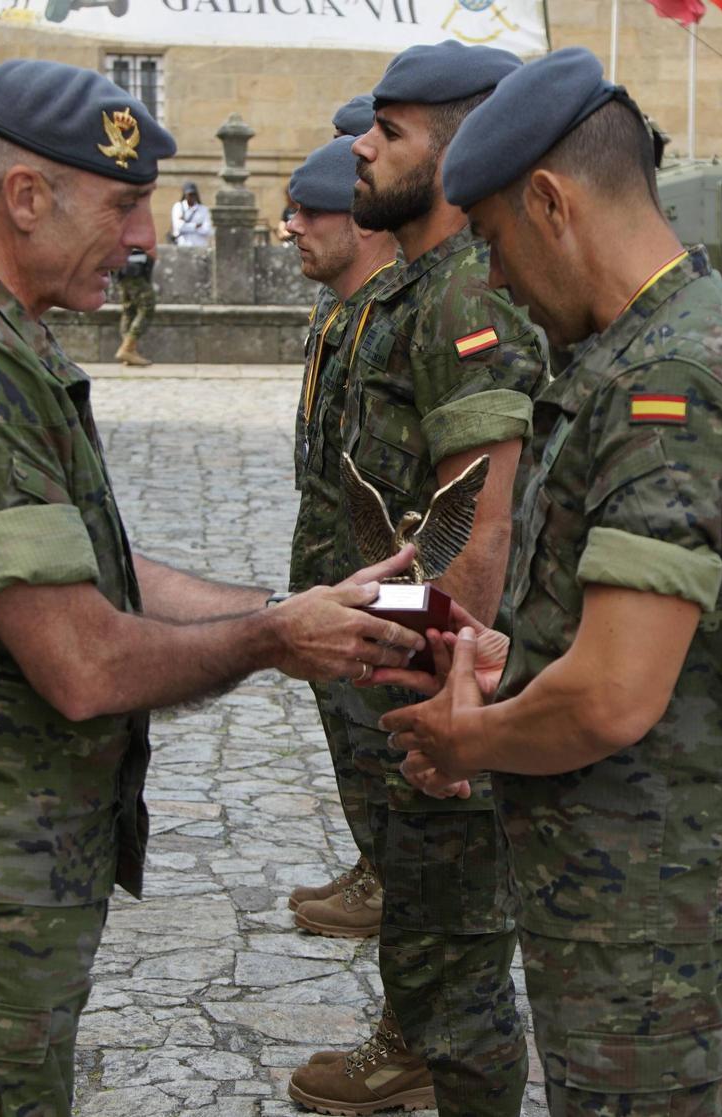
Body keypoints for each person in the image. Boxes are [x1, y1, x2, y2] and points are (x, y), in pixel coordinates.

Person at [0, 60, 425, 1117]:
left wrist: (317, 612)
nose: (141, 237)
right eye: (124, 205)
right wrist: (274, 637)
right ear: (27, 198)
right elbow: (82, 661)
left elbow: (106, 574)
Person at [379, 47, 722, 1116]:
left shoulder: (672, 382)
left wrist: (467, 738)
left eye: (490, 242)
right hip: (641, 890)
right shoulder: (662, 346)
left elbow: (617, 691)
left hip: (650, 908)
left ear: (549, 201)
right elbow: (628, 632)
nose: (491, 280)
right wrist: (507, 658)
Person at [287, 40, 548, 1117]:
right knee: (423, 906)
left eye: (388, 131)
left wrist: (455, 702)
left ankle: (456, 1079)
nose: (360, 143)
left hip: (431, 663)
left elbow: (479, 526)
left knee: (456, 937)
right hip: (390, 646)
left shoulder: (462, 300)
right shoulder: (412, 288)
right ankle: (415, 1047)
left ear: (454, 151)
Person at [285, 135, 398, 950]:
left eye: (309, 211)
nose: (290, 225)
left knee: (381, 723)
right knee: (346, 720)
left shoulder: (402, 312)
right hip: (330, 545)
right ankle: (375, 858)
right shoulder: (341, 307)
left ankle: (393, 870)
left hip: (381, 566)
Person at [114, 242, 155, 366]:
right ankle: (127, 348)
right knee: (147, 307)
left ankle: (129, 351)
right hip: (135, 266)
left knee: (129, 310)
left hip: (121, 265)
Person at [170, 179, 212, 246]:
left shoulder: (204, 209)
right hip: (182, 245)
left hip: (200, 246)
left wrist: (187, 226)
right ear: (185, 194)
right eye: (190, 194)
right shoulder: (178, 207)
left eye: (194, 194)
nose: (192, 197)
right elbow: (179, 226)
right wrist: (196, 226)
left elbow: (207, 230)